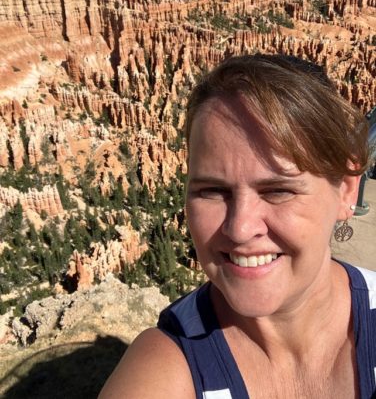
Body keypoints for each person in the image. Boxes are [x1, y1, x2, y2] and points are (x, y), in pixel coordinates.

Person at [100, 54, 375, 399]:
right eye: (213, 190)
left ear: (346, 190)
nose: (240, 228)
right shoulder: (169, 363)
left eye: (277, 190)